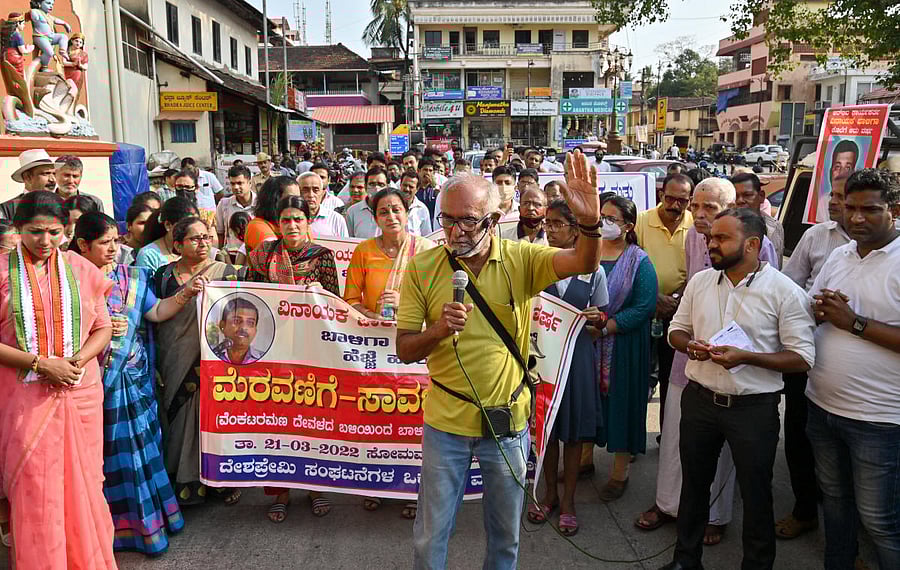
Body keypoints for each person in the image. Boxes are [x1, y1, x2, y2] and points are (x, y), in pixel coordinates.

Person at [397, 151, 605, 569]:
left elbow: (584, 261)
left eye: (467, 220)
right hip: (445, 424)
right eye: (447, 219)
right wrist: (438, 329)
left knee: (506, 538)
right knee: (428, 539)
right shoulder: (422, 267)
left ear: (493, 220)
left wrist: (590, 222)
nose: (454, 231)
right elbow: (404, 349)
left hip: (507, 424)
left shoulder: (521, 258)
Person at [662, 208, 816, 570]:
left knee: (756, 492)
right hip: (699, 400)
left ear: (751, 245)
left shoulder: (785, 292)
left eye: (721, 238)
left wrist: (747, 357)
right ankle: (686, 561)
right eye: (710, 237)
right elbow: (675, 330)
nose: (710, 243)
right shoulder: (700, 282)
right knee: (694, 486)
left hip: (752, 409)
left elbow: (802, 358)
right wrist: (690, 346)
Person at [635, 178, 780, 546]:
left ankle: (715, 516)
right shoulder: (691, 238)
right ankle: (668, 505)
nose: (698, 216)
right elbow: (695, 286)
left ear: (731, 210)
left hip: (738, 368)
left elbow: (768, 303)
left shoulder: (757, 244)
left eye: (709, 209)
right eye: (695, 207)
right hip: (691, 358)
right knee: (677, 439)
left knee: (725, 453)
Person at [70, 212, 198, 554]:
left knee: (143, 450)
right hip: (92, 382)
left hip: (135, 378)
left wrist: (186, 293)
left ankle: (152, 524)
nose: (114, 248)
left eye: (116, 240)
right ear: (83, 244)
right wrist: (100, 330)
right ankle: (109, 530)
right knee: (105, 456)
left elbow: (154, 313)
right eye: (104, 243)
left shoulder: (133, 278)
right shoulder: (70, 282)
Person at [0, 191, 114, 568]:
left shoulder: (82, 269)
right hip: (24, 396)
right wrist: (41, 363)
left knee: (84, 485)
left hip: (81, 390)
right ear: (18, 229)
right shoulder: (2, 271)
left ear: (65, 230)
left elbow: (102, 327)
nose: (45, 241)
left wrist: (75, 360)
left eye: (53, 232)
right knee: (36, 490)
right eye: (34, 232)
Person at [806, 168, 900, 570]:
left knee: (879, 522)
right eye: (849, 208)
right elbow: (813, 305)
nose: (856, 218)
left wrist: (855, 322)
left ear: (895, 210)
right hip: (822, 408)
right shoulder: (839, 254)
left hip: (878, 420)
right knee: (836, 507)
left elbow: (848, 320)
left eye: (869, 210)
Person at [246, 196, 337, 523]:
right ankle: (280, 491)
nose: (293, 226)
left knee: (313, 418)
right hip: (273, 349)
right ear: (278, 224)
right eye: (286, 220)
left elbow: (334, 307)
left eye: (299, 219)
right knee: (277, 420)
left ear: (308, 223)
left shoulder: (321, 257)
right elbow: (249, 297)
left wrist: (314, 296)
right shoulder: (261, 255)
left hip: (311, 350)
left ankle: (315, 487)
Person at [528, 198, 609, 536]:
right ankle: (549, 494)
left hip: (576, 361)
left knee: (573, 433)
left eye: (557, 224)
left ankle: (570, 500)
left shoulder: (595, 270)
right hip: (543, 360)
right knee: (547, 431)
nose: (550, 230)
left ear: (576, 231)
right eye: (547, 223)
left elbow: (601, 319)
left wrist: (596, 318)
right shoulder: (534, 263)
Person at [776, 178, 851, 541]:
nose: (835, 204)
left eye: (843, 198)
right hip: (808, 354)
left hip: (863, 377)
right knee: (800, 434)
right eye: (833, 196)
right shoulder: (819, 238)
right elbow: (793, 286)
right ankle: (805, 509)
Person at [154, 217, 238, 506]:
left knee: (211, 416)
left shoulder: (226, 273)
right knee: (177, 414)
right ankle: (181, 481)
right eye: (194, 239)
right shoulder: (163, 277)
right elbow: (155, 315)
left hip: (212, 360)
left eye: (206, 237)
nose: (203, 243)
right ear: (177, 245)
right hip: (174, 358)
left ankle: (219, 481)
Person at [588, 195, 658, 501]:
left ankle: (619, 473)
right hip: (586, 344)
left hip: (624, 348)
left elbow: (644, 307)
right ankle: (583, 461)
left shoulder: (639, 260)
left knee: (623, 405)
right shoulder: (587, 253)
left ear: (628, 226)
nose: (604, 223)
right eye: (602, 216)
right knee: (587, 403)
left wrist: (607, 326)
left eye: (611, 219)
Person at [635, 173, 694, 433]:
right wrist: (652, 297)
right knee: (638, 376)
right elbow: (630, 263)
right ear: (661, 195)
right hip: (643, 309)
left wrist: (677, 298)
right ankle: (632, 440)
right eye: (670, 199)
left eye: (682, 200)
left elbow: (698, 268)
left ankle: (667, 435)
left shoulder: (695, 224)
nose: (675, 206)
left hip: (678, 312)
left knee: (673, 378)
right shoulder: (641, 221)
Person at [135, 196, 200, 273]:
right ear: (168, 225)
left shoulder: (199, 248)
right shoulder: (149, 255)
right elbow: (144, 284)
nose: (193, 231)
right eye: (186, 226)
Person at [732, 172, 784, 263]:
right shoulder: (722, 228)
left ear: (761, 196)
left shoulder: (775, 227)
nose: (740, 201)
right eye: (736, 196)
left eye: (747, 195)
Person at [244, 176, 302, 251]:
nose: (298, 203)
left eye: (298, 198)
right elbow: (276, 258)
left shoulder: (301, 224)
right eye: (291, 199)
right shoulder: (257, 226)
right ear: (274, 201)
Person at [3, 148, 57, 219]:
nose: (52, 179)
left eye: (54, 174)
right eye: (46, 173)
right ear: (27, 177)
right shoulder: (7, 209)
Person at [215, 164, 256, 257]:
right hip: (231, 255)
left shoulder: (261, 204)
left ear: (250, 183)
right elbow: (220, 233)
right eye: (232, 184)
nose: (236, 187)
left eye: (240, 183)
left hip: (254, 255)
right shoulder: (224, 204)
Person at [211, 296, 264, 364]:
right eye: (236, 321)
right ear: (222, 326)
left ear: (255, 330)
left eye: (250, 322)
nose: (243, 327)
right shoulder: (208, 354)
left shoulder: (266, 359)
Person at [816, 139, 860, 223]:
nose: (841, 173)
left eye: (847, 168)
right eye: (837, 167)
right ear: (831, 170)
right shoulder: (823, 202)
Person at [299, 171, 349, 238]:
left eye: (315, 190)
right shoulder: (289, 219)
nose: (311, 195)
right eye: (305, 190)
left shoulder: (336, 219)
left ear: (322, 192)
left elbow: (344, 246)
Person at [346, 167, 390, 238]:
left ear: (387, 187)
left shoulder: (394, 211)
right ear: (366, 186)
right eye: (372, 184)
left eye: (381, 184)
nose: (376, 188)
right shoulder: (352, 212)